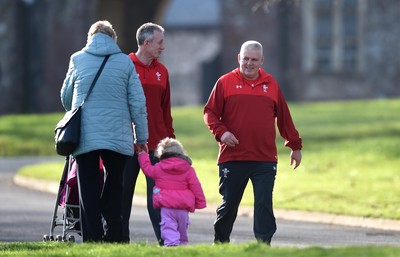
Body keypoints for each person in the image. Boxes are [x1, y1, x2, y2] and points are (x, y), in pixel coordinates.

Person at [203, 40, 302, 245]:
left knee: (264, 204)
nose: (249, 63)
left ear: (261, 61)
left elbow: (284, 117)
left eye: (254, 59)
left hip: (264, 159)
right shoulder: (224, 82)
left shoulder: (271, 84)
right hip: (233, 157)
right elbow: (210, 113)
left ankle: (263, 247)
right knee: (229, 206)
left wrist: (295, 145)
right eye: (245, 58)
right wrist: (222, 133)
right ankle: (220, 244)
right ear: (239, 58)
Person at [60, 20, 148, 242]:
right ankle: (114, 235)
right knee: (115, 184)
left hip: (85, 135)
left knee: (87, 187)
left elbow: (66, 98)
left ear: (90, 38)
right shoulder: (125, 63)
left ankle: (92, 237)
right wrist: (142, 136)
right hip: (118, 136)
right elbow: (137, 102)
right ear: (113, 39)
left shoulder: (77, 59)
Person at [122, 22, 175, 245]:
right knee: (121, 197)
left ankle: (166, 243)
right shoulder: (124, 66)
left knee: (158, 198)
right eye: (160, 42)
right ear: (146, 42)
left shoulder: (162, 71)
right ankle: (117, 242)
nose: (163, 46)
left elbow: (166, 110)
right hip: (126, 145)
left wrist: (171, 143)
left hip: (156, 147)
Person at [137, 137, 207, 246]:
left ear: (161, 154)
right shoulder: (188, 169)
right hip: (183, 208)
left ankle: (171, 246)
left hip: (167, 207)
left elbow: (147, 169)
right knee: (182, 231)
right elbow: (196, 186)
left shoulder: (159, 168)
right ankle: (182, 246)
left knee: (169, 229)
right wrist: (200, 202)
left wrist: (143, 155)